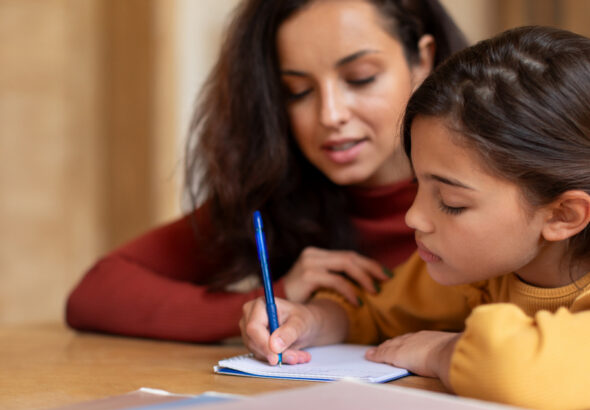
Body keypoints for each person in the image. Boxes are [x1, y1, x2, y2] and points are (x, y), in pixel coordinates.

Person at [65, 0, 467, 342]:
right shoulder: (279, 196)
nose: (330, 115)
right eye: (297, 91)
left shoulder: (493, 187)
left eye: (360, 79)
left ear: (422, 60)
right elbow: (95, 293)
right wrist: (276, 299)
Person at [240, 26, 590, 410]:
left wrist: (441, 350)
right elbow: (373, 312)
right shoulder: (480, 269)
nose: (413, 216)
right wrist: (309, 320)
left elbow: (512, 372)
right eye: (416, 184)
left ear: (563, 214)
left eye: (452, 202)